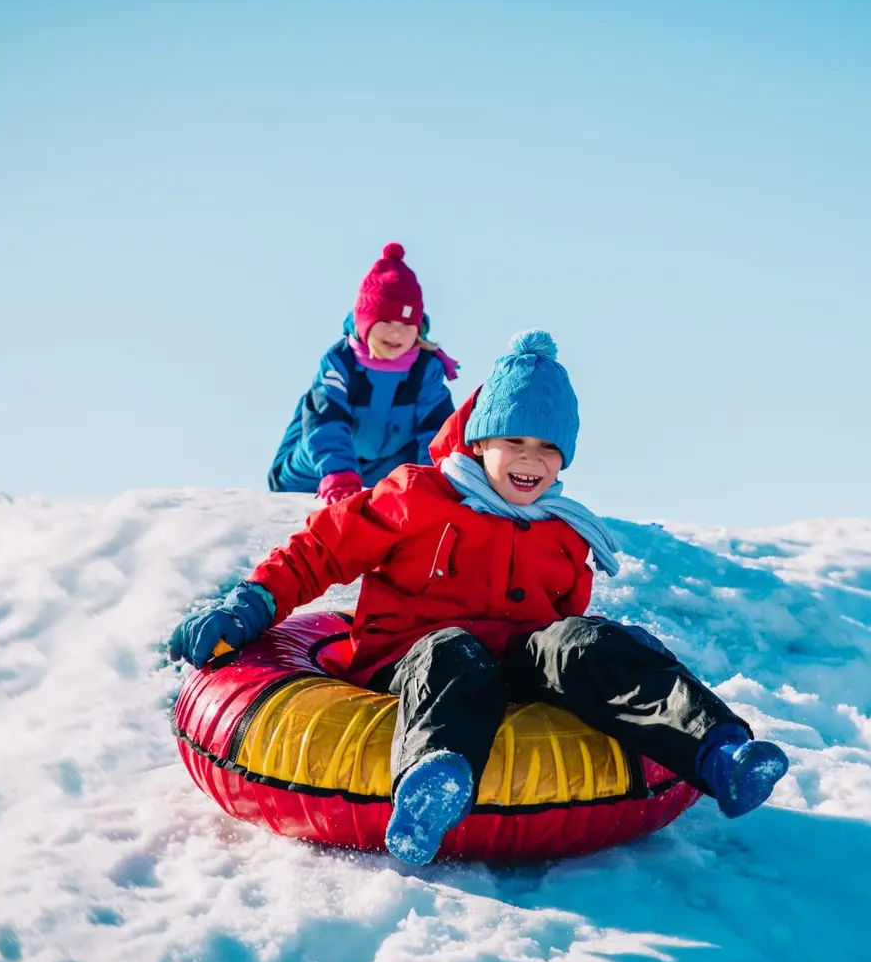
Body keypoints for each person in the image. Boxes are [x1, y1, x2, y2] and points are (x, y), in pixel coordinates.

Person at [172, 331, 788, 865]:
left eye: (548, 449)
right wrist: (251, 603)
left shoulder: (563, 533)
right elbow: (321, 551)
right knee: (455, 650)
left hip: (514, 668)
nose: (531, 460)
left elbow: (560, 628)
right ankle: (430, 784)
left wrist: (599, 661)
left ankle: (718, 752)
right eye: (515, 442)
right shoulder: (418, 496)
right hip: (409, 661)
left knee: (585, 640)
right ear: (479, 442)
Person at [268, 242, 459, 502]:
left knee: (419, 470)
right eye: (386, 322)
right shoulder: (341, 362)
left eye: (406, 324)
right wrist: (339, 473)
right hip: (318, 462)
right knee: (309, 460)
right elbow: (326, 421)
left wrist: (434, 485)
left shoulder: (425, 369)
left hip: (385, 463)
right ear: (366, 322)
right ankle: (329, 476)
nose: (396, 332)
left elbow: (436, 430)